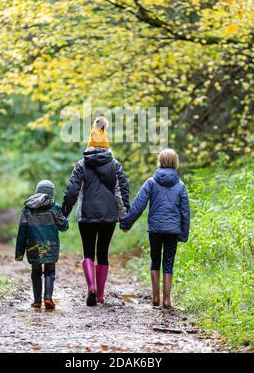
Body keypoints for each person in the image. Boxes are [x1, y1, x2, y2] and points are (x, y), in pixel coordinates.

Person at [62, 116, 129, 306]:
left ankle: (90, 287)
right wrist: (124, 218)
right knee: (103, 253)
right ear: (106, 144)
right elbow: (121, 193)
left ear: (89, 144)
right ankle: (100, 295)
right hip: (108, 216)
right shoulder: (115, 165)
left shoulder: (81, 165)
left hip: (86, 215)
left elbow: (72, 191)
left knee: (88, 252)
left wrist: (63, 214)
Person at [120, 149, 190, 308]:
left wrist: (126, 223)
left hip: (155, 230)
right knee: (168, 262)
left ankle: (155, 298)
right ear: (175, 163)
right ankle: (167, 300)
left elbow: (138, 205)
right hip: (173, 231)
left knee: (155, 260)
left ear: (160, 162)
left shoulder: (151, 182)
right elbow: (185, 212)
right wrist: (183, 234)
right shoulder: (180, 186)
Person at [15, 179, 69, 310]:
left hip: (33, 246)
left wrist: (19, 253)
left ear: (37, 192)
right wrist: (64, 219)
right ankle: (48, 298)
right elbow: (64, 227)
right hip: (51, 246)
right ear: (51, 193)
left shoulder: (27, 209)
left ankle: (37, 301)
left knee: (36, 272)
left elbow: (22, 231)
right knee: (50, 271)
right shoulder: (55, 207)